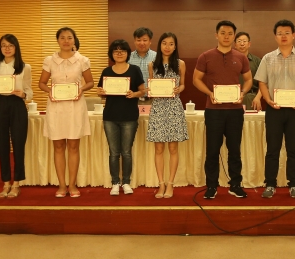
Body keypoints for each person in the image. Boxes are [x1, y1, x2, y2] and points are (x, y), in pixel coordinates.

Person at [255, 19, 295, 199]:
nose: (283, 36)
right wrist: (267, 100)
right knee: (272, 149)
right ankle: (270, 184)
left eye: (287, 33)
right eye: (280, 33)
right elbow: (262, 82)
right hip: (273, 109)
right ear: (275, 36)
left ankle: (294, 184)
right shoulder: (268, 58)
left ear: (293, 35)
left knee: (293, 149)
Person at [193, 20, 252, 199]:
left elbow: (249, 80)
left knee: (235, 150)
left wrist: (243, 93)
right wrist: (209, 93)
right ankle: (212, 186)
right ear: (216, 35)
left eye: (230, 34)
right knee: (212, 150)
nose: (226, 36)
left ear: (234, 36)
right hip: (214, 110)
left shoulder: (241, 57)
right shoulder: (205, 56)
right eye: (223, 33)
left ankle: (235, 184)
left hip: (235, 110)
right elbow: (196, 79)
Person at [38, 27, 94, 198]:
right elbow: (42, 83)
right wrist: (50, 91)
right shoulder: (50, 60)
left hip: (75, 106)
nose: (66, 41)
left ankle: (72, 184)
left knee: (73, 146)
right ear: (58, 40)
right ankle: (62, 185)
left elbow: (90, 82)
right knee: (58, 146)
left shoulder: (82, 60)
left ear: (74, 40)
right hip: (56, 107)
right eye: (62, 38)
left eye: (69, 38)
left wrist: (81, 89)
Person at [0, 34, 32, 199]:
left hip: (17, 105)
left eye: (10, 45)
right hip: (1, 105)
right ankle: (6, 182)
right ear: (0, 48)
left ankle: (17, 183)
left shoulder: (25, 67)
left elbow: (29, 91)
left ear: (16, 48)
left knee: (18, 145)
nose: (7, 48)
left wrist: (23, 94)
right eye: (3, 45)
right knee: (2, 145)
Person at [98, 39, 146, 195]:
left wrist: (134, 94)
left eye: (122, 51)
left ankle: (126, 182)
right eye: (116, 51)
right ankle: (115, 183)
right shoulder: (106, 71)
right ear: (111, 54)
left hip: (129, 117)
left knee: (126, 152)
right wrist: (101, 93)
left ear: (127, 53)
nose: (119, 54)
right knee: (113, 152)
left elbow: (143, 91)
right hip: (110, 117)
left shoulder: (134, 70)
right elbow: (102, 94)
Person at [146, 32, 188, 199]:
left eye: (171, 44)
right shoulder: (152, 65)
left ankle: (170, 183)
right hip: (158, 107)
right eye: (164, 43)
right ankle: (161, 183)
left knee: (173, 148)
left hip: (174, 107)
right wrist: (150, 90)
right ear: (159, 45)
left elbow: (183, 84)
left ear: (175, 46)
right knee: (158, 148)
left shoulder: (180, 64)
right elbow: (151, 87)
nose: (167, 47)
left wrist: (179, 89)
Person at [234, 31, 262, 110]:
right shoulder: (229, 61)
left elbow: (263, 82)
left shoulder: (257, 61)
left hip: (251, 98)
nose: (242, 44)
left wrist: (258, 98)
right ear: (235, 45)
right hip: (232, 97)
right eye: (239, 41)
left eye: (244, 41)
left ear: (249, 44)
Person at [130, 27, 157, 102]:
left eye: (145, 40)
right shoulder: (128, 58)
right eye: (138, 40)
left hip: (153, 99)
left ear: (150, 41)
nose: (142, 43)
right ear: (134, 41)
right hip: (132, 99)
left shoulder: (157, 57)